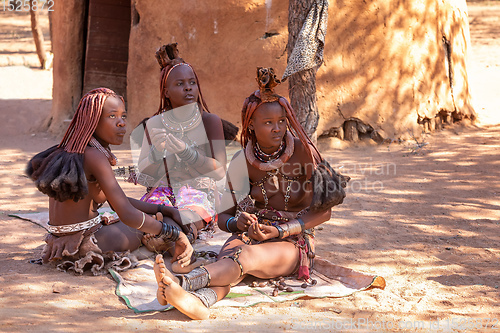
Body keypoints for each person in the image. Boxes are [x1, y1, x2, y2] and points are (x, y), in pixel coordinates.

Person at [152, 67, 348, 319]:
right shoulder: (241, 161)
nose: (277, 128)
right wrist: (238, 222)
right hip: (251, 234)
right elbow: (223, 217)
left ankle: (181, 283)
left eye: (282, 121)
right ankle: (199, 302)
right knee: (233, 259)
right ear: (251, 125)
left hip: (293, 240)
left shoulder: (303, 153)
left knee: (244, 258)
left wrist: (281, 231)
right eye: (268, 123)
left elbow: (325, 212)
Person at [26, 88, 193, 275]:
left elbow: (118, 200)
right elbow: (128, 214)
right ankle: (180, 257)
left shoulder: (72, 149)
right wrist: (172, 232)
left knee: (160, 217)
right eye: (112, 116)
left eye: (123, 116)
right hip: (89, 243)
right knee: (166, 224)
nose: (121, 123)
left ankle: (166, 237)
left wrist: (164, 208)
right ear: (92, 121)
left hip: (61, 242)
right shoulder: (94, 156)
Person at [131, 43, 227, 251]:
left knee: (191, 212)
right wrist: (157, 153)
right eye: (180, 83)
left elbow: (219, 171)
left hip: (199, 190)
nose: (188, 88)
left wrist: (188, 153)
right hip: (162, 189)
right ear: (166, 92)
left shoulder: (210, 121)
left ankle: (180, 234)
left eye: (192, 82)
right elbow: (144, 175)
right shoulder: (155, 123)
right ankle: (163, 231)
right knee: (146, 212)